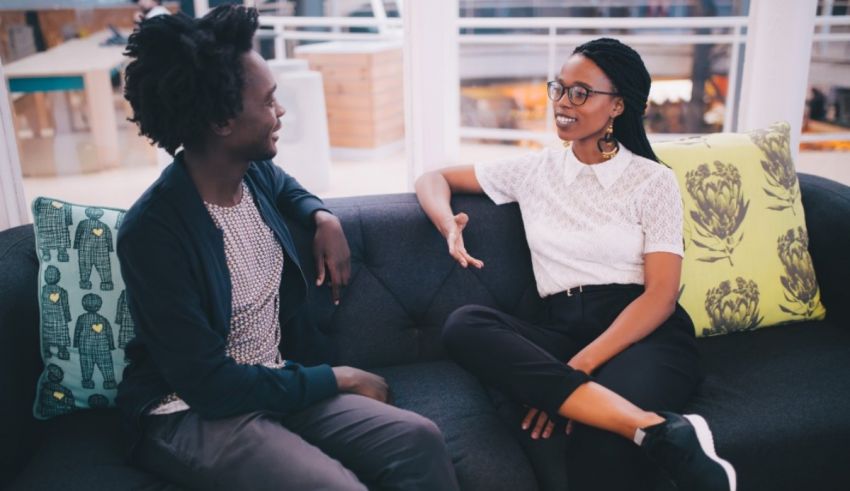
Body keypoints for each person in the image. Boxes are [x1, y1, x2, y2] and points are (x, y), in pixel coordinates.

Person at [117, 6, 459, 490]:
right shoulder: (152, 234)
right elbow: (208, 383)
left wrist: (322, 216)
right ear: (220, 121)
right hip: (191, 411)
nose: (280, 112)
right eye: (269, 101)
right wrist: (335, 377)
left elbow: (286, 186)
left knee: (418, 439)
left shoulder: (250, 175)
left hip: (273, 382)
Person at [416, 38, 736, 491]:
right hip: (559, 329)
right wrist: (448, 223)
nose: (563, 103)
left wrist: (572, 374)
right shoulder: (534, 170)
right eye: (559, 89)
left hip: (641, 335)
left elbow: (661, 297)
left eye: (581, 93)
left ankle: (625, 421)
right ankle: (659, 429)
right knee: (464, 325)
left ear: (618, 106)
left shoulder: (653, 181)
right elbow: (432, 177)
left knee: (596, 443)